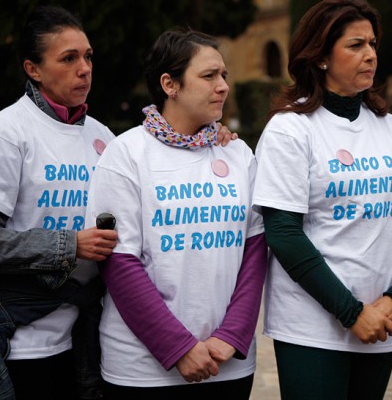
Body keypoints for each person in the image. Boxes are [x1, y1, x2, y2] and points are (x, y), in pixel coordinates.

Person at [252, 0, 392, 400]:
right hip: (313, 325)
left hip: (381, 319)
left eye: (372, 44)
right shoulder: (291, 129)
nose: (370, 55)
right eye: (355, 45)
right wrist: (350, 312)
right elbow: (283, 233)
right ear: (321, 57)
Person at [85, 28, 267, 399]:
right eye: (208, 76)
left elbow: (254, 251)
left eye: (224, 75)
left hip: (227, 364)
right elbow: (118, 262)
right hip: (143, 370)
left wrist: (232, 335)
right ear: (170, 84)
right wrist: (178, 347)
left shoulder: (237, 154)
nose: (223, 87)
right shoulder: (126, 154)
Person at [0, 5, 118, 399]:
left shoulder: (104, 137)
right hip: (17, 342)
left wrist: (212, 139)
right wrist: (69, 245)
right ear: (33, 69)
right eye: (69, 58)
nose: (85, 68)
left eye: (88, 56)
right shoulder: (2, 135)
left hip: (86, 340)